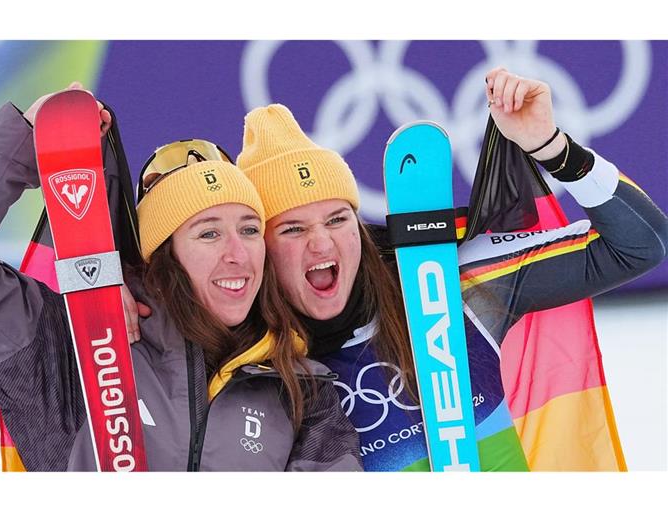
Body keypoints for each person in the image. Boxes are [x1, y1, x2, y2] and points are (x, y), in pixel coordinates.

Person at [0, 83, 362, 471]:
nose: (237, 254)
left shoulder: (301, 389)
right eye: (208, 234)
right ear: (165, 259)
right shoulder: (67, 351)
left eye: (249, 229)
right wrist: (26, 139)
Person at [230, 68, 668, 471]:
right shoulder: (248, 369)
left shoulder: (451, 283)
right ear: (260, 251)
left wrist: (551, 147)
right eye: (291, 229)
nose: (321, 243)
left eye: (337, 219)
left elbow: (641, 245)